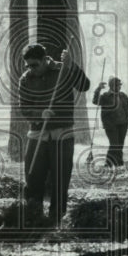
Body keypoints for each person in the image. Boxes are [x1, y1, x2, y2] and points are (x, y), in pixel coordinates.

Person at [14, 43, 90, 225]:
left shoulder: (62, 69)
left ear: (44, 60)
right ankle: (34, 215)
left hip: (62, 134)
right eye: (28, 65)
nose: (31, 69)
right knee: (33, 177)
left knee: (60, 178)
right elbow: (23, 109)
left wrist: (72, 65)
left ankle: (56, 218)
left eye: (35, 65)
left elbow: (84, 85)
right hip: (37, 134)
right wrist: (40, 114)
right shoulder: (26, 79)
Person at [92, 76, 128, 166]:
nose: (119, 87)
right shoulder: (106, 96)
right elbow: (95, 101)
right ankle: (109, 163)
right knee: (114, 144)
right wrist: (98, 89)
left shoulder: (122, 95)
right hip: (111, 125)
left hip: (123, 124)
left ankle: (119, 163)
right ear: (111, 86)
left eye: (119, 85)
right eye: (117, 85)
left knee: (120, 144)